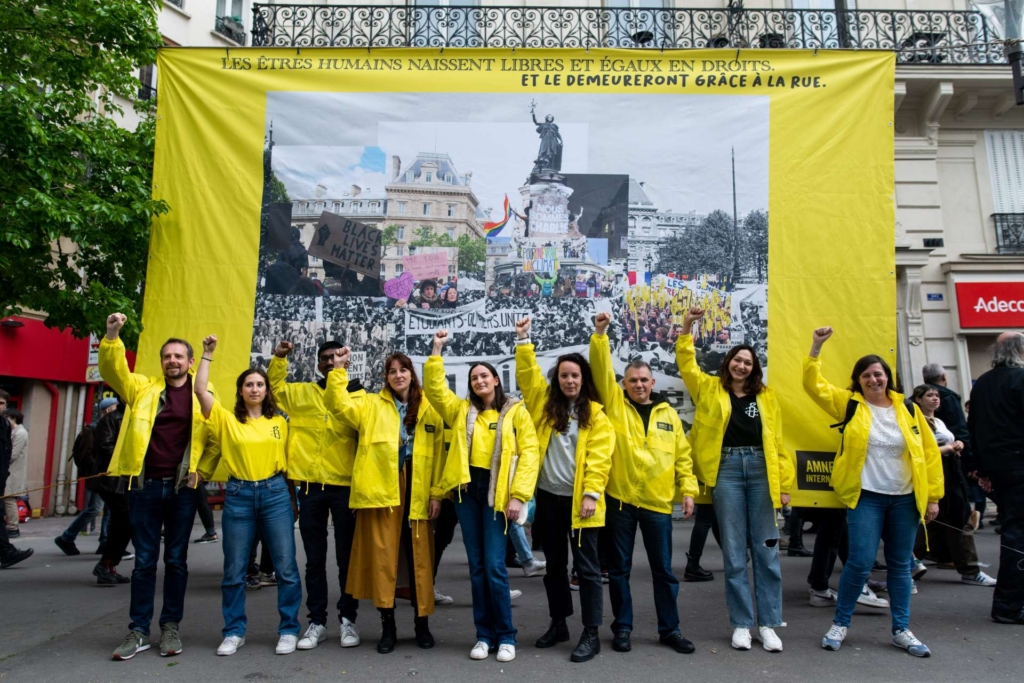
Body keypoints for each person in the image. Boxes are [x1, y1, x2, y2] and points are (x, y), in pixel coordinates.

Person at [803, 327, 942, 657]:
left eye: (878, 374)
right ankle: (841, 623)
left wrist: (933, 496)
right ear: (858, 380)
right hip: (866, 496)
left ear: (887, 376)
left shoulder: (908, 409)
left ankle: (901, 629)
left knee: (899, 565)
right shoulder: (848, 405)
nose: (873, 380)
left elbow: (928, 452)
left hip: (905, 499)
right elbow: (812, 385)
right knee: (860, 562)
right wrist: (816, 347)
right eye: (866, 375)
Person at [99, 313, 220, 660]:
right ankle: (138, 631)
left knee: (177, 560)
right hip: (145, 487)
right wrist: (112, 335)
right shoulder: (142, 389)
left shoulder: (204, 391)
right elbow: (113, 372)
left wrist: (203, 472)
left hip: (182, 490)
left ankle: (170, 628)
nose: (172, 361)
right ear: (162, 362)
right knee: (144, 562)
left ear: (190, 361)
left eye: (178, 356)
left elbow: (214, 438)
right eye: (167, 356)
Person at [675, 306, 794, 652]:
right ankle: (742, 623)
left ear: (754, 368)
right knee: (734, 553)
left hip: (760, 469)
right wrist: (687, 326)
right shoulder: (709, 388)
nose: (741, 365)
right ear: (727, 363)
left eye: (748, 362)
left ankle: (769, 624)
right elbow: (686, 363)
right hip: (726, 470)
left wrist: (784, 485)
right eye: (736, 360)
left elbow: (777, 443)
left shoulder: (766, 396)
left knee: (767, 551)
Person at [424, 329, 541, 663]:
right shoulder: (460, 410)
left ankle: (506, 636)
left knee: (494, 566)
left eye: (484, 376)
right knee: (477, 566)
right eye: (474, 377)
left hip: (498, 493)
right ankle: (483, 635)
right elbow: (434, 389)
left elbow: (530, 454)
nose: (479, 381)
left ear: (495, 380)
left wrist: (518, 496)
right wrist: (436, 350)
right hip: (466, 491)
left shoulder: (516, 411)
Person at [589, 312, 698, 656]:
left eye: (644, 380)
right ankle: (622, 628)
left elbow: (683, 456)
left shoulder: (669, 416)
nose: (638, 384)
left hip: (657, 504)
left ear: (653, 383)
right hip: (621, 502)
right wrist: (601, 334)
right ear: (624, 384)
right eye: (632, 380)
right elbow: (602, 370)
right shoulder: (615, 407)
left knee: (663, 572)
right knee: (619, 571)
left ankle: (670, 629)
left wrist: (689, 490)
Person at [325, 349, 446, 654]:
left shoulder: (428, 408)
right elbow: (337, 406)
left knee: (418, 558)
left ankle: (422, 625)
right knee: (384, 560)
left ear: (411, 373)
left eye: (403, 370)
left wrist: (436, 494)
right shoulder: (369, 404)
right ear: (386, 377)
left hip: (417, 487)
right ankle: (387, 627)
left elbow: (440, 455)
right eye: (392, 371)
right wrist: (338, 370)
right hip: (382, 493)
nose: (398, 375)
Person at [194, 334, 303, 657]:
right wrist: (207, 354)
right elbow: (200, 390)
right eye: (249, 385)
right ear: (240, 391)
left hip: (275, 494)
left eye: (260, 384)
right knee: (235, 569)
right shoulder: (227, 420)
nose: (255, 389)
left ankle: (288, 629)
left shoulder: (279, 423)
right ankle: (233, 631)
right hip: (240, 494)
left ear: (267, 391)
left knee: (286, 568)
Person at [515, 316, 613, 662]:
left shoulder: (597, 415)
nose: (569, 380)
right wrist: (524, 340)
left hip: (582, 503)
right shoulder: (545, 407)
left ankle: (591, 632)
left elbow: (600, 460)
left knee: (586, 570)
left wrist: (590, 494)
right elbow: (527, 378)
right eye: (564, 375)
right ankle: (559, 623)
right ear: (556, 380)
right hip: (550, 500)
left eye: (575, 375)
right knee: (555, 565)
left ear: (583, 379)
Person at [269, 339, 363, 650]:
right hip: (309, 488)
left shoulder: (359, 395)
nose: (329, 362)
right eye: (324, 358)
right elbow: (274, 388)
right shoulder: (301, 393)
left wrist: (339, 376)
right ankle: (317, 621)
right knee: (314, 561)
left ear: (346, 360)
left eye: (336, 357)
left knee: (346, 560)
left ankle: (348, 619)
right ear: (317, 363)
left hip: (344, 488)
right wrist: (280, 358)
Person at [912, 384, 996, 587]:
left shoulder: (939, 421)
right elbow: (919, 452)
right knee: (924, 521)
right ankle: (909, 566)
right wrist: (948, 447)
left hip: (951, 472)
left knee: (959, 518)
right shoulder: (915, 422)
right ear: (918, 400)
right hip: (931, 473)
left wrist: (958, 445)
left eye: (937, 395)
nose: (935, 398)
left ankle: (970, 569)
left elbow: (949, 442)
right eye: (929, 395)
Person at [968, 331, 1024, 624]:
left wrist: (982, 469)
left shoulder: (984, 384)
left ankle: (1010, 603)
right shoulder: (1020, 378)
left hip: (999, 468)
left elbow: (973, 427)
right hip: (1017, 466)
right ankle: (1008, 605)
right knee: (1018, 534)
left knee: (1015, 530)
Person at [0, 389, 33, 569]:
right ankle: (6, 551)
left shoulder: (5, 426)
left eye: (2, 403)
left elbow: (7, 453)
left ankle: (6, 552)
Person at [3, 409, 27, 538]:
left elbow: (13, 454)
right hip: (8, 471)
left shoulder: (20, 433)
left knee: (9, 498)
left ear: (14, 418)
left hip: (13, 472)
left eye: (7, 418)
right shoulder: (12, 432)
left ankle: (13, 527)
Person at [683, 504, 720, 582]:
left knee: (713, 518)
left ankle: (734, 554)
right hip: (707, 493)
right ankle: (693, 564)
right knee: (705, 517)